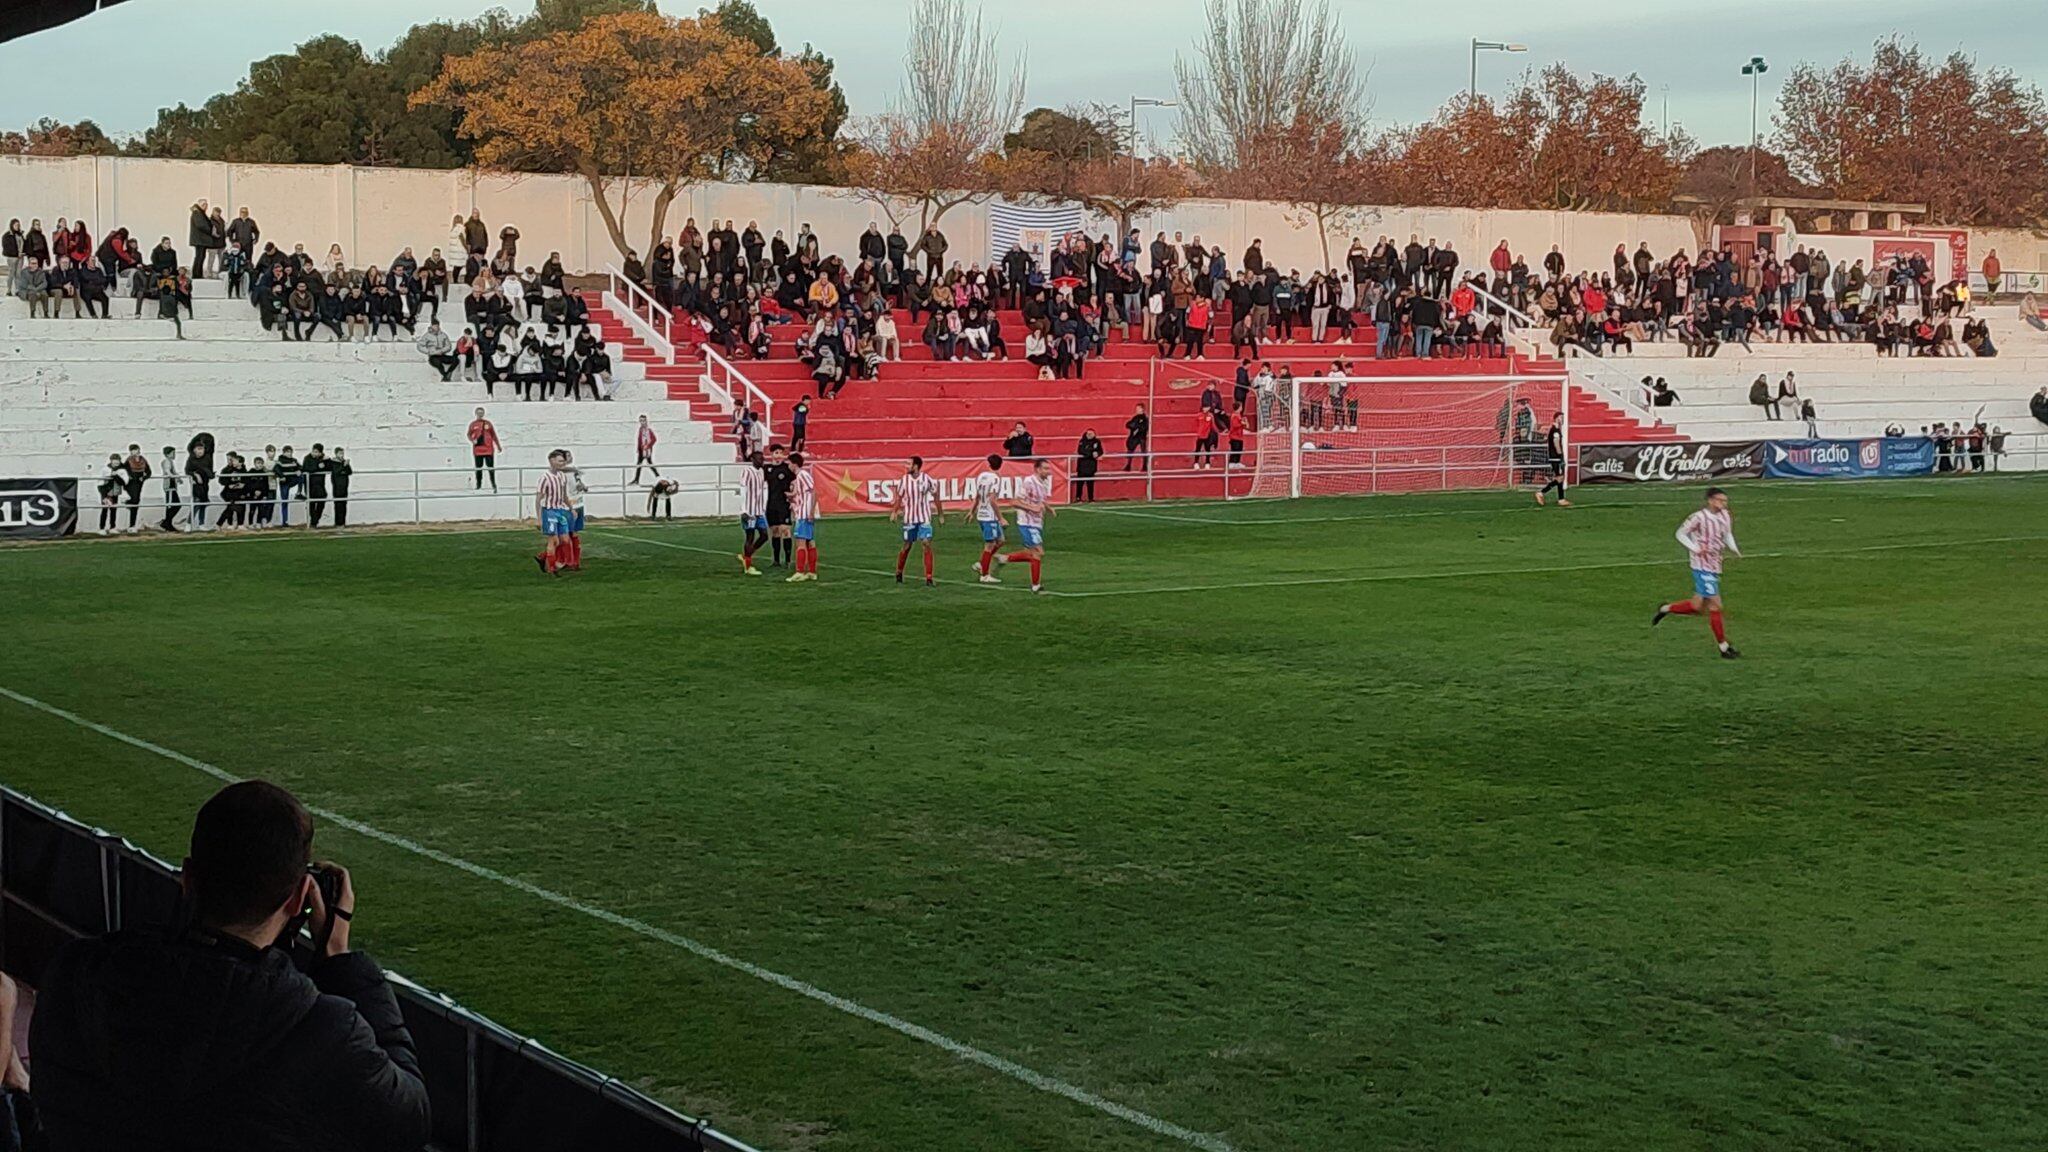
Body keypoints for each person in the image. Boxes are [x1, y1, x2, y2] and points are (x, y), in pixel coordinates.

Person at [29, 779, 431, 1152]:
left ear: (188, 879)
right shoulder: (320, 1032)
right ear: (298, 901)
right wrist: (339, 960)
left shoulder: (77, 973)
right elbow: (410, 1120)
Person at [1653, 487, 1741, 659]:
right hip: (1701, 566)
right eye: (1720, 500)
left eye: (1725, 501)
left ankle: (1666, 608)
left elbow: (1727, 534)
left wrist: (1734, 549)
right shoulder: (1698, 517)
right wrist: (1695, 548)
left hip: (1715, 564)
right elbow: (1680, 534)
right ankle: (1724, 648)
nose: (1724, 503)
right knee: (1715, 605)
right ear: (1710, 500)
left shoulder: (1725, 515)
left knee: (1697, 607)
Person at [990, 458, 1055, 593]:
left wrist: (1048, 508)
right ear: (1037, 469)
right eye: (1045, 468)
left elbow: (1040, 500)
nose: (1048, 471)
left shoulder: (1043, 483)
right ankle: (1036, 585)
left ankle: (1005, 558)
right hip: (1026, 522)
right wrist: (1032, 508)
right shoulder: (1029, 482)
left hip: (1036, 523)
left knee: (1038, 553)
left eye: (1049, 468)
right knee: (1036, 553)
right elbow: (1014, 502)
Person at [892, 455, 943, 586]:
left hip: (924, 517)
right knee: (907, 545)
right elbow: (899, 497)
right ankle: (899, 572)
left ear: (915, 466)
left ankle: (929, 578)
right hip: (909, 519)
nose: (906, 466)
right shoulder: (904, 480)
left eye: (908, 464)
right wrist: (894, 511)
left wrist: (941, 514)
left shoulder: (926, 479)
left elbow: (936, 494)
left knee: (926, 543)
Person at [535, 449, 574, 575]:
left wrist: (570, 508)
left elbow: (564, 495)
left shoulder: (562, 476)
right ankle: (552, 569)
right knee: (553, 541)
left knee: (565, 540)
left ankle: (543, 557)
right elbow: (538, 499)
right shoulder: (545, 478)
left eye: (563, 461)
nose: (563, 463)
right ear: (552, 461)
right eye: (560, 461)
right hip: (549, 511)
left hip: (560, 511)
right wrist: (539, 518)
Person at [971, 453, 1007, 581]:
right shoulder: (996, 479)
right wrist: (1001, 518)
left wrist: (972, 511)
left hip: (982, 514)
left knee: (1001, 540)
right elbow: (992, 500)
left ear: (989, 464)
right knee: (990, 544)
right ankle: (985, 575)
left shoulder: (981, 476)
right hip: (989, 516)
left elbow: (978, 496)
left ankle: (982, 563)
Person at [786, 452, 820, 582]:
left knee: (800, 542)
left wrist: (810, 511)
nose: (788, 465)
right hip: (804, 512)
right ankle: (812, 572)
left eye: (789, 463)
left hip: (804, 513)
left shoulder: (802, 475)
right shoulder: (800, 476)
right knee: (810, 541)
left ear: (794, 464)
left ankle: (800, 572)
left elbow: (814, 492)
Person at [764, 445, 796, 569]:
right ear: (771, 454)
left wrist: (793, 494)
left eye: (780, 453)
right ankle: (776, 560)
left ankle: (788, 560)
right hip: (771, 504)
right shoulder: (767, 469)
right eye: (776, 452)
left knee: (785, 530)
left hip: (784, 504)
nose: (778, 455)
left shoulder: (787, 469)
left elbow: (795, 481)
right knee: (775, 531)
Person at [737, 450, 769, 576]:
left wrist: (763, 506)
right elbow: (743, 489)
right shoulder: (747, 471)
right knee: (750, 537)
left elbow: (763, 488)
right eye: (760, 459)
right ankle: (748, 566)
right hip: (749, 511)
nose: (762, 461)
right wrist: (744, 510)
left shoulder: (761, 472)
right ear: (753, 460)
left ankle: (747, 556)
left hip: (759, 510)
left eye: (763, 459)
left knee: (764, 535)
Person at [1534, 413, 1570, 507]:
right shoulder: (1555, 430)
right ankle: (1541, 493)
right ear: (1556, 418)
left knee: (1560, 478)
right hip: (1556, 458)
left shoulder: (1555, 430)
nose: (1562, 420)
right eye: (1561, 418)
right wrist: (1560, 455)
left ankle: (1561, 499)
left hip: (1554, 457)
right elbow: (1556, 443)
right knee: (1559, 478)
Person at [468, 408, 500, 491]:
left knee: (491, 468)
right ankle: (478, 485)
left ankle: (493, 485)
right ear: (476, 413)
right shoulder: (473, 424)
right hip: (478, 451)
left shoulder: (488, 423)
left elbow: (494, 435)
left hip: (488, 450)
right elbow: (468, 434)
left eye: (482, 413)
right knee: (478, 468)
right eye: (479, 413)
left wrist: (498, 446)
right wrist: (472, 440)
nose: (480, 414)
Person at [157, 444, 183, 532]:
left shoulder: (170, 462)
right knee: (174, 505)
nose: (174, 455)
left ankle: (168, 523)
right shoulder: (167, 462)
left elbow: (174, 472)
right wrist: (175, 477)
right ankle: (166, 522)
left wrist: (178, 478)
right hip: (169, 486)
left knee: (173, 505)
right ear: (168, 454)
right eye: (173, 453)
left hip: (172, 486)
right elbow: (168, 471)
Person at [1073, 429, 1103, 502]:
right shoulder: (1082, 441)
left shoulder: (1097, 441)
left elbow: (1100, 451)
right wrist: (1091, 454)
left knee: (1090, 483)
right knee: (1080, 483)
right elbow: (1081, 451)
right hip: (1082, 466)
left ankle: (1091, 498)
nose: (1090, 435)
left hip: (1092, 466)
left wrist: (1097, 454)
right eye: (1088, 434)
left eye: (1092, 434)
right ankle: (1078, 498)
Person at [330, 447, 353, 527]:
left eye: (342, 453)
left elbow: (350, 472)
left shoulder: (344, 462)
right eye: (340, 453)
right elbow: (336, 471)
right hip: (337, 486)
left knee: (344, 504)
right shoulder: (333, 462)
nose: (342, 455)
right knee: (338, 504)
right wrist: (343, 466)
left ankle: (343, 522)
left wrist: (346, 465)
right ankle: (338, 522)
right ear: (336, 454)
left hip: (344, 485)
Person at [633, 415, 659, 485]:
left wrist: (648, 445)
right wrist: (638, 449)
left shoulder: (649, 430)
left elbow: (654, 439)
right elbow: (639, 440)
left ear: (646, 421)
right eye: (641, 421)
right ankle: (636, 479)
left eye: (643, 420)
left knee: (649, 463)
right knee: (639, 465)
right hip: (641, 450)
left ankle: (658, 476)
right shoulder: (640, 429)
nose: (642, 422)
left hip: (647, 450)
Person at [1122, 404, 1149, 471]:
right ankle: (1128, 466)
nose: (1136, 410)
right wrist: (1136, 426)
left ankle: (1144, 466)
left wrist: (1136, 426)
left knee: (1143, 451)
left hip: (1141, 437)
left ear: (1142, 409)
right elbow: (1128, 425)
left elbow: (1144, 427)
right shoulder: (1135, 417)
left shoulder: (1145, 418)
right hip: (1134, 437)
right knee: (1131, 450)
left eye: (1138, 408)